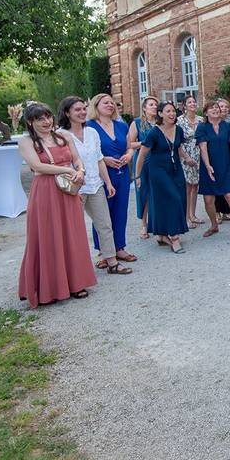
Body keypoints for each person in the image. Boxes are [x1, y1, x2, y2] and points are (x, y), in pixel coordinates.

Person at [17, 102, 97, 306]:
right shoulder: (26, 141)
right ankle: (49, 288)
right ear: (30, 122)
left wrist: (79, 171)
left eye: (48, 117)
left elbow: (77, 160)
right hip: (45, 192)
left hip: (67, 191)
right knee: (47, 236)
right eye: (40, 118)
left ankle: (76, 283)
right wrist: (69, 171)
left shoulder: (64, 136)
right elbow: (37, 166)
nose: (46, 121)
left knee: (72, 234)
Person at [57, 96, 133, 275]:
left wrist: (107, 182)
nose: (82, 112)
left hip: (96, 184)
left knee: (104, 224)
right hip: (75, 188)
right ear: (67, 113)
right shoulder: (60, 135)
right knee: (73, 229)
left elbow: (99, 159)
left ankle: (112, 262)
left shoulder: (91, 132)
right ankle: (74, 269)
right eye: (77, 110)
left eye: (83, 108)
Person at [87, 93, 138, 264]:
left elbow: (129, 146)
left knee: (120, 211)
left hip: (122, 173)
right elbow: (87, 151)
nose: (110, 105)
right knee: (102, 214)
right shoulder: (89, 127)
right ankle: (103, 252)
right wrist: (104, 159)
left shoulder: (121, 126)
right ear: (96, 106)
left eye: (112, 103)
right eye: (105, 102)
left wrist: (129, 155)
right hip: (102, 174)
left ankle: (119, 247)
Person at [135, 101, 191, 253]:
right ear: (160, 114)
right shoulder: (154, 132)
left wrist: (187, 158)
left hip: (175, 168)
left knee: (178, 198)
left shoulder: (178, 130)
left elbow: (178, 147)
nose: (172, 114)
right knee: (174, 198)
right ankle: (174, 237)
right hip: (158, 170)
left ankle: (161, 235)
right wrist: (138, 175)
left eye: (173, 111)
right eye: (168, 111)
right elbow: (142, 154)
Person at [197, 100, 230, 242]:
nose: (215, 109)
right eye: (211, 108)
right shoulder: (202, 127)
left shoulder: (228, 126)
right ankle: (214, 225)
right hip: (208, 167)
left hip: (226, 165)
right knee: (208, 199)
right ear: (206, 112)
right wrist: (208, 165)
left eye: (217, 107)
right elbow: (203, 148)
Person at [127, 96, 159, 239]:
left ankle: (157, 224)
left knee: (158, 193)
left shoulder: (160, 122)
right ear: (144, 108)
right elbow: (129, 144)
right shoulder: (137, 123)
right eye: (151, 104)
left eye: (156, 105)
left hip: (158, 162)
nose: (154, 107)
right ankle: (144, 225)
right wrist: (145, 143)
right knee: (143, 192)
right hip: (143, 161)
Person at [177, 94, 204, 227]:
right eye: (189, 102)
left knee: (195, 186)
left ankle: (193, 215)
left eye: (194, 101)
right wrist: (186, 157)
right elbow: (177, 141)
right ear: (185, 105)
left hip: (199, 154)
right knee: (187, 186)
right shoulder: (179, 121)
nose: (192, 104)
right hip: (185, 154)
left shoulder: (201, 120)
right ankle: (186, 217)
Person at [213, 98, 230, 221]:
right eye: (221, 106)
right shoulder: (212, 122)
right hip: (216, 157)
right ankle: (217, 211)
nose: (224, 109)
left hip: (229, 155)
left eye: (226, 107)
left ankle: (227, 211)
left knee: (228, 184)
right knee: (217, 185)